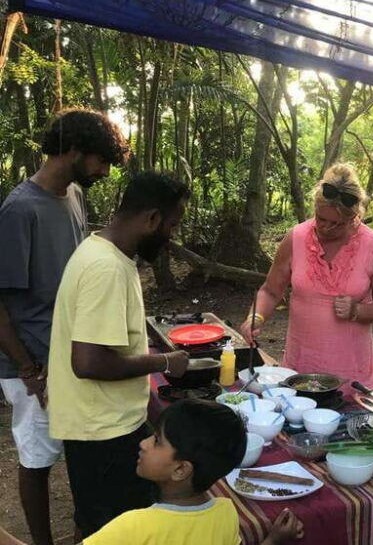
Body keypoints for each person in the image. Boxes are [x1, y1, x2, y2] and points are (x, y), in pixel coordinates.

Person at [0, 109, 127, 545]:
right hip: (30, 358)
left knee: (76, 446)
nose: (105, 171)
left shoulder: (73, 194)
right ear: (73, 150)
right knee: (37, 456)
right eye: (101, 160)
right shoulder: (19, 210)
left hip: (66, 352)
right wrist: (28, 367)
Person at [47, 172, 192, 538]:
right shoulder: (105, 267)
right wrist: (163, 361)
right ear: (152, 220)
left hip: (101, 422)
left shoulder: (104, 250)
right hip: (102, 431)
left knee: (100, 522)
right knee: (112, 528)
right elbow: (89, 362)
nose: (172, 235)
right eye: (172, 225)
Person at [0, 400, 304, 545]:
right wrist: (273, 541)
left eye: (157, 441)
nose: (144, 444)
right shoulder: (224, 514)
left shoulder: (135, 527)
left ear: (181, 469)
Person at [240, 163, 373, 395]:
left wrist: (357, 311)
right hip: (300, 368)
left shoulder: (372, 244)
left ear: (355, 216)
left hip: (351, 373)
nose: (325, 227)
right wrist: (257, 316)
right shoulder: (296, 237)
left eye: (337, 223)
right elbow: (271, 291)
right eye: (321, 218)